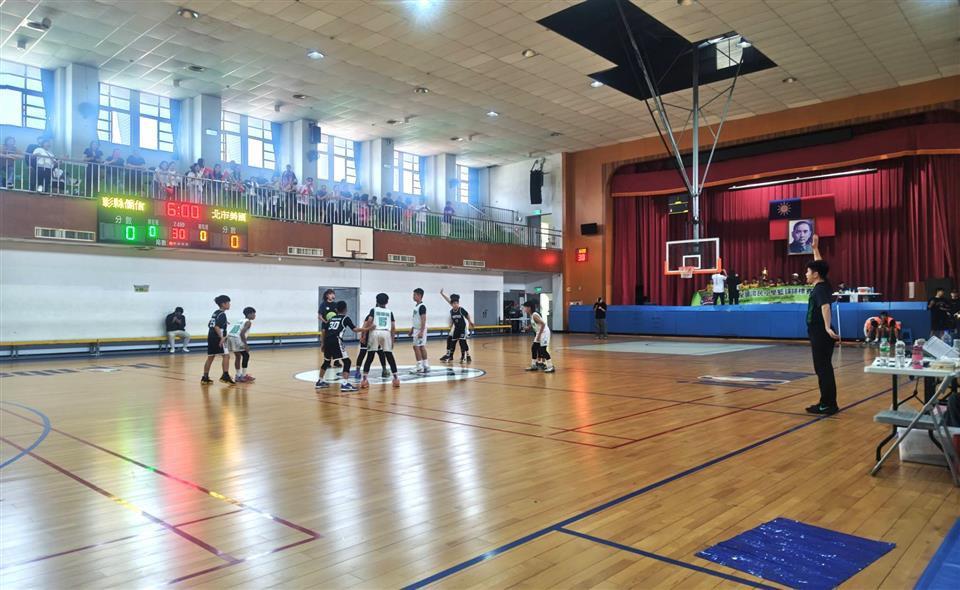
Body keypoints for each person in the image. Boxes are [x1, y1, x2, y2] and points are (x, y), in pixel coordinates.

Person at [805, 235, 839, 415]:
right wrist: (815, 249)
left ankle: (828, 404)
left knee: (823, 369)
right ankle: (827, 402)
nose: (806, 274)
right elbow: (820, 266)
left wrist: (826, 327)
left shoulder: (819, 290)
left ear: (815, 274)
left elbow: (825, 307)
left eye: (808, 271)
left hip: (820, 332)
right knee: (824, 368)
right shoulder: (825, 283)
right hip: (819, 332)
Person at [315, 301, 359, 392]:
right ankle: (345, 384)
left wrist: (322, 343)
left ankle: (320, 381)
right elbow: (355, 329)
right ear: (346, 309)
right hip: (336, 340)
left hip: (327, 340)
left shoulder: (331, 319)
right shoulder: (345, 318)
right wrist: (367, 329)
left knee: (326, 362)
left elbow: (324, 331)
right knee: (347, 362)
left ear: (336, 309)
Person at [360, 293, 399, 389]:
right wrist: (392, 340)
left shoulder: (373, 310)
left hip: (375, 332)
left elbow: (369, 321)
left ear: (377, 301)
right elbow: (393, 327)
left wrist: (364, 334)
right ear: (387, 302)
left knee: (370, 356)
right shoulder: (390, 312)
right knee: (389, 356)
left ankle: (364, 380)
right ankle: (396, 379)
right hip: (386, 333)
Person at [202, 295, 235, 385]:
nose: (229, 304)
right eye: (228, 303)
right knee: (226, 356)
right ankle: (225, 376)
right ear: (223, 304)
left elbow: (210, 324)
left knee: (210, 357)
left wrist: (224, 322)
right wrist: (222, 338)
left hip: (211, 336)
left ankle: (205, 377)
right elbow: (216, 326)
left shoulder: (215, 313)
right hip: (218, 337)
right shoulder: (222, 314)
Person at [439, 289, 474, 363]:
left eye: (456, 303)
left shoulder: (460, 309)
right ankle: (450, 355)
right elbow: (448, 300)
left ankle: (465, 355)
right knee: (451, 340)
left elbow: (467, 315)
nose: (455, 304)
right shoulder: (452, 310)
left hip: (463, 327)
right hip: (456, 327)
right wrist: (442, 294)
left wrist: (470, 321)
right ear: (452, 303)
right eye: (453, 303)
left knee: (462, 342)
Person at [225, 307, 256, 383]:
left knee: (238, 357)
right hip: (236, 338)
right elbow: (242, 334)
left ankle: (238, 376)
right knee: (246, 355)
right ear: (249, 314)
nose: (255, 315)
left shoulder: (240, 320)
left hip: (230, 337)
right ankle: (244, 376)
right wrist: (246, 345)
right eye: (254, 314)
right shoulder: (248, 322)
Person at [523, 299, 555, 372]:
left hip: (544, 333)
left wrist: (539, 335)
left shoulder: (534, 315)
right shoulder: (532, 315)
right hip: (539, 332)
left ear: (529, 308)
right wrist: (528, 327)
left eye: (525, 307)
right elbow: (534, 323)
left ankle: (550, 366)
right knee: (534, 348)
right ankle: (533, 365)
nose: (524, 309)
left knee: (542, 350)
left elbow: (543, 324)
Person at [353, 314, 387, 380]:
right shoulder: (372, 315)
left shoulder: (377, 315)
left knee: (378, 353)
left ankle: (358, 371)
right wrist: (363, 336)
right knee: (375, 354)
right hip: (370, 337)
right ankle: (384, 370)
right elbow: (364, 325)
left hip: (375, 337)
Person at [318, 289, 341, 368]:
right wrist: (325, 321)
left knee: (336, 344)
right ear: (327, 295)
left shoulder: (335, 304)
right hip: (326, 326)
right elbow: (319, 316)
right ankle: (327, 362)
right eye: (331, 294)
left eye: (333, 294)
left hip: (334, 326)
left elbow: (339, 314)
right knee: (326, 344)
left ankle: (336, 361)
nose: (333, 295)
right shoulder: (323, 304)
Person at [410, 288, 430, 374]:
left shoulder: (422, 306)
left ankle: (419, 366)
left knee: (416, 347)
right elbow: (416, 319)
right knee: (421, 346)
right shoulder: (417, 306)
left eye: (414, 295)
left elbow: (423, 319)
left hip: (420, 329)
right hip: (417, 328)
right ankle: (425, 365)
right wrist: (412, 329)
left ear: (419, 296)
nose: (413, 296)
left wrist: (421, 331)